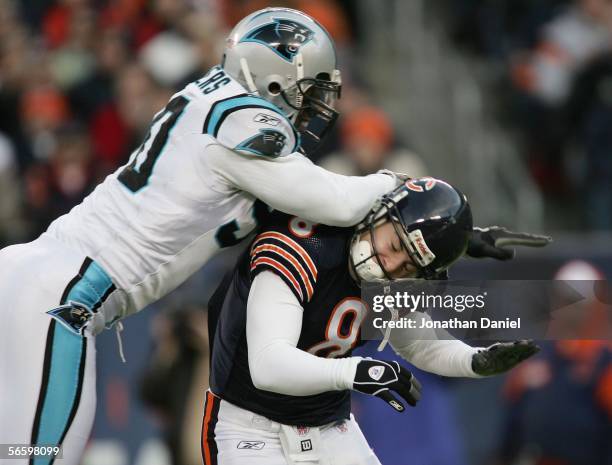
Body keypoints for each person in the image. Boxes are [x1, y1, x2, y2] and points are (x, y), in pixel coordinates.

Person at [0, 8, 401, 465]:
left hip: (29, 275)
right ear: (271, 79)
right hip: (64, 294)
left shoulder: (208, 98)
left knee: (14, 450)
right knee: (39, 457)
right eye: (307, 90)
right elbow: (338, 201)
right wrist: (399, 184)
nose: (312, 106)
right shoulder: (246, 121)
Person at [205, 177, 542, 465]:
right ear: (380, 212)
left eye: (409, 265)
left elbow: (417, 343)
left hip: (329, 426)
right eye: (395, 244)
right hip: (250, 425)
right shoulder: (307, 243)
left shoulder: (395, 279)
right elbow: (268, 365)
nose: (392, 264)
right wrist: (357, 372)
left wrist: (473, 361)